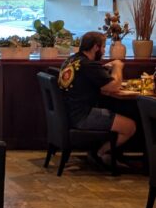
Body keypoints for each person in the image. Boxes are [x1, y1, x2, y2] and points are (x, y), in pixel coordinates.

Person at [58, 30, 136, 166]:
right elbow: (114, 86)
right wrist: (117, 66)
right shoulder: (88, 65)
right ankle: (99, 153)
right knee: (130, 126)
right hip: (83, 116)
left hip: (70, 113)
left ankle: (102, 153)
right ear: (96, 47)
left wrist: (103, 71)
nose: (104, 50)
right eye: (104, 46)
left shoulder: (72, 60)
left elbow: (95, 83)